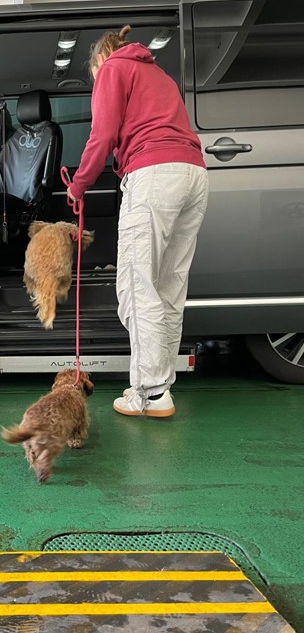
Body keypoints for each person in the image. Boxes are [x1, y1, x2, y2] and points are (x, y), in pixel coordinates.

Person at [67, 25, 209, 418]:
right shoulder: (157, 74)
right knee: (168, 286)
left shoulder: (113, 68)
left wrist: (78, 186)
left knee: (136, 285)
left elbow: (102, 134)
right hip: (193, 174)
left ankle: (149, 393)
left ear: (99, 60)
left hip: (154, 175)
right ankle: (161, 388)